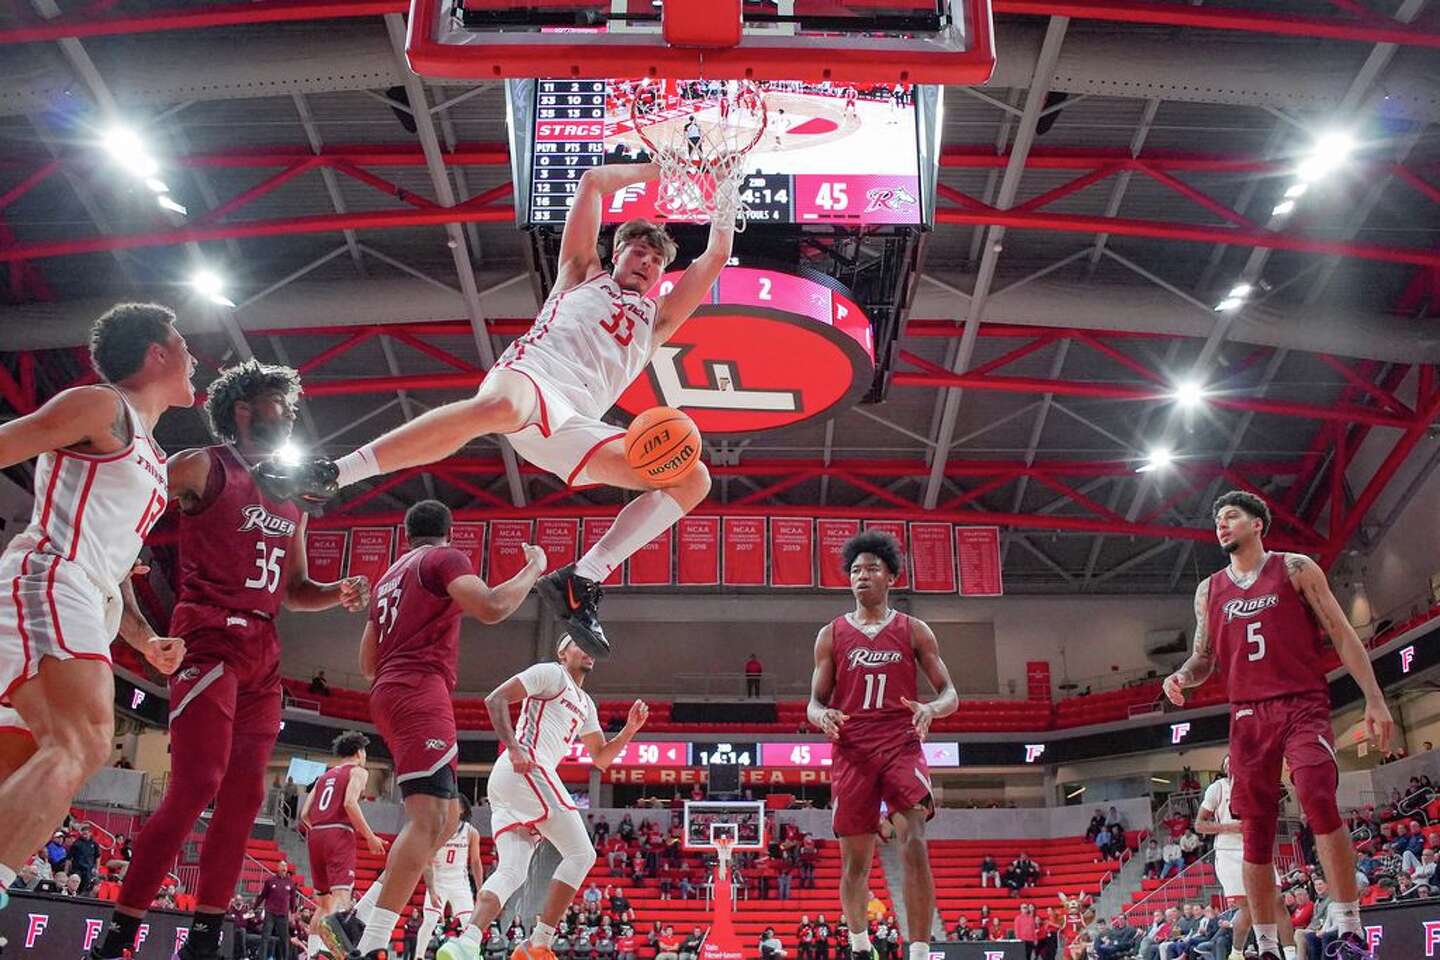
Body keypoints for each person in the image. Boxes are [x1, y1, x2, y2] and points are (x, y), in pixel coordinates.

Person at [324, 162, 735, 660]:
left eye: (655, 260)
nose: (645, 261)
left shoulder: (658, 320)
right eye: (637, 250)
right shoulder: (581, 270)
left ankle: (581, 579)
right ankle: (336, 473)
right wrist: (665, 167)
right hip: (533, 376)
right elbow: (593, 182)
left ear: (660, 274)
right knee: (497, 406)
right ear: (617, 252)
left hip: (578, 420)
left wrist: (725, 191)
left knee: (693, 480)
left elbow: (714, 258)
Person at [95, 358, 370, 960]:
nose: (291, 415)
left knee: (245, 800)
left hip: (264, 651)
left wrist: (336, 591)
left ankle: (204, 939)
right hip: (208, 637)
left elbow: (295, 588)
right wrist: (127, 577)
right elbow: (123, 513)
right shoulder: (199, 465)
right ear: (244, 410)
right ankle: (119, 932)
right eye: (280, 404)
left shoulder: (291, 494)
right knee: (197, 784)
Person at [0, 303, 194, 910]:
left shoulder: (155, 460)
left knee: (21, 762)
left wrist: (142, 639)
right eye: (182, 341)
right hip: (50, 577)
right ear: (157, 354)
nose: (194, 355)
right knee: (84, 740)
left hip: (89, 597)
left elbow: (119, 566)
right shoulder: (100, 405)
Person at [1164, 491, 1394, 960]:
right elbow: (1204, 657)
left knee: (1315, 793)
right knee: (1257, 829)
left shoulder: (1296, 568)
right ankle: (1267, 946)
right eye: (1217, 519)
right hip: (1247, 715)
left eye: (1231, 516)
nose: (1221, 525)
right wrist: (1183, 677)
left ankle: (1349, 927)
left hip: (1301, 703)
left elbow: (1341, 632)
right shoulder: (1209, 589)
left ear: (1257, 524)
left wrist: (1375, 698)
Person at [334, 500, 547, 959]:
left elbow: (367, 664)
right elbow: (491, 606)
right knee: (431, 819)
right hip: (419, 689)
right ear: (450, 533)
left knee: (449, 819)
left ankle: (358, 917)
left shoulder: (392, 574)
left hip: (390, 690)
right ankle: (369, 943)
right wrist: (533, 569)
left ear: (406, 532)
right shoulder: (442, 559)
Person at [437, 638, 650, 960]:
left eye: (592, 645)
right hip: (527, 766)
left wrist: (630, 730)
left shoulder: (586, 703)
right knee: (581, 854)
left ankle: (465, 941)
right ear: (562, 652)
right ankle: (538, 943)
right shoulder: (551, 673)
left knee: (512, 871)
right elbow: (495, 699)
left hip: (512, 781)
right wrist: (513, 747)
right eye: (580, 644)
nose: (588, 649)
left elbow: (601, 758)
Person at [807, 531, 959, 960]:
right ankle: (860, 944)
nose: (862, 576)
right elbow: (813, 703)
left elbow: (951, 694)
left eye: (872, 568)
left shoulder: (913, 630)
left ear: (891, 576)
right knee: (855, 862)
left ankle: (920, 950)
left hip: (900, 742)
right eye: (856, 570)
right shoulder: (831, 635)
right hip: (852, 749)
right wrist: (822, 716)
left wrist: (932, 710)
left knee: (915, 839)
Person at [1195, 753, 1295, 960]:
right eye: (1227, 762)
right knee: (1249, 908)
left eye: (1235, 760)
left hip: (1256, 849)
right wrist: (1229, 827)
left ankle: (1291, 955)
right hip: (1228, 852)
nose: (1231, 764)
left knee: (1277, 901)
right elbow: (1199, 825)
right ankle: (1237, 953)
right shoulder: (1218, 788)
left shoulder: (1255, 785)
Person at [301, 731, 385, 955]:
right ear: (359, 752)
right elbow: (349, 802)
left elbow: (304, 815)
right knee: (341, 899)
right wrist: (370, 836)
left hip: (315, 833)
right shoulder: (358, 771)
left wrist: (321, 833)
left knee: (324, 905)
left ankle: (312, 954)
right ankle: (342, 952)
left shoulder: (323, 777)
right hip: (338, 833)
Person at [255, 861, 298, 960]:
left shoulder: (290, 883)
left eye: (286, 866)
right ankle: (262, 958)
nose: (284, 868)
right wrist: (255, 907)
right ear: (278, 867)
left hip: (283, 914)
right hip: (270, 912)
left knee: (284, 939)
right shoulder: (270, 880)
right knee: (265, 937)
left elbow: (293, 900)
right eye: (282, 866)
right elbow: (263, 895)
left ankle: (284, 958)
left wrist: (293, 914)